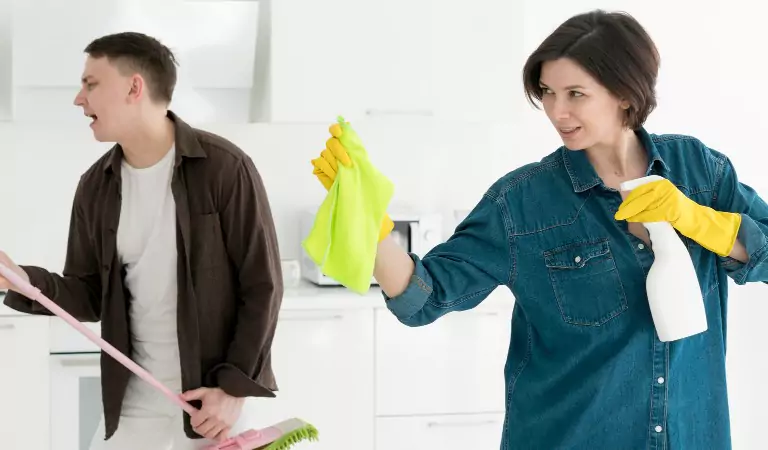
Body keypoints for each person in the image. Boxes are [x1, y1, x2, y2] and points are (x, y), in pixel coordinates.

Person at [310, 10, 768, 450]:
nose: (556, 111)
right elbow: (423, 298)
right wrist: (366, 220)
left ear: (625, 94)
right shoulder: (522, 203)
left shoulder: (699, 172)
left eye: (576, 94)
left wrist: (696, 218)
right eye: (548, 92)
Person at [0, 32, 283, 449]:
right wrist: (18, 277)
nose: (79, 99)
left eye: (91, 84)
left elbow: (263, 285)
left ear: (135, 87)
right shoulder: (95, 187)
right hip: (134, 406)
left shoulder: (225, 169)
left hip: (215, 410)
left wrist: (233, 389)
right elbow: (89, 293)